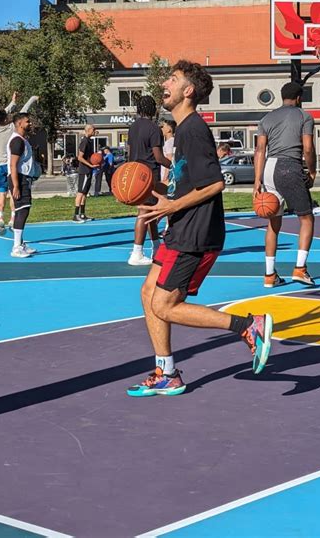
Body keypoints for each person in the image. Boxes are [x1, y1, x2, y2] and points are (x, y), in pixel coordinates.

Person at [126, 60, 273, 397]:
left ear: (187, 91)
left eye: (173, 79)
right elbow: (184, 185)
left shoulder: (192, 129)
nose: (165, 82)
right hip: (180, 228)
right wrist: (150, 191)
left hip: (195, 232)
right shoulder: (182, 130)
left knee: (164, 305)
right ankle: (167, 373)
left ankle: (249, 325)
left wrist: (171, 206)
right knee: (149, 294)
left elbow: (215, 184)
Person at [254, 81, 317, 288]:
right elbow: (307, 148)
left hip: (269, 168)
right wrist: (313, 170)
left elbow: (260, 150)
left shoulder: (266, 118)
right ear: (299, 98)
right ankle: (300, 269)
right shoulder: (304, 116)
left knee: (273, 222)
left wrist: (257, 180)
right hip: (289, 165)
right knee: (306, 219)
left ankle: (269, 274)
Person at [127, 95, 171, 266]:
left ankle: (156, 247)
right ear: (153, 110)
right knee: (144, 212)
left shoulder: (133, 128)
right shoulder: (153, 128)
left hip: (134, 172)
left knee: (151, 210)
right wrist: (174, 165)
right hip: (148, 174)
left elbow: (130, 154)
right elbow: (159, 157)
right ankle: (136, 252)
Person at [0, 92, 38, 234]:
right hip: (11, 164)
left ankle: (0, 217)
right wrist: (32, 99)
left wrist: (12, 104)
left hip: (0, 165)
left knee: (1, 193)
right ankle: (12, 219)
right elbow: (23, 112)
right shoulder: (13, 127)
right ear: (7, 119)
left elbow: (0, 114)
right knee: (14, 194)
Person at [7, 112, 38, 258]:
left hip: (23, 178)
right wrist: (16, 186)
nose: (30, 124)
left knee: (22, 210)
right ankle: (16, 247)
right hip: (18, 178)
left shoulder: (22, 140)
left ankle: (21, 244)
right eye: (27, 122)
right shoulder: (17, 141)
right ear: (19, 123)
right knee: (23, 210)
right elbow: (13, 165)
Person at [73, 125, 97, 223]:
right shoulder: (84, 141)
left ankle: (82, 214)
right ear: (89, 130)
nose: (95, 131)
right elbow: (80, 157)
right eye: (94, 129)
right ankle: (75, 215)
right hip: (84, 171)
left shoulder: (90, 141)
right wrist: (90, 165)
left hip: (88, 170)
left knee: (85, 193)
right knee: (80, 192)